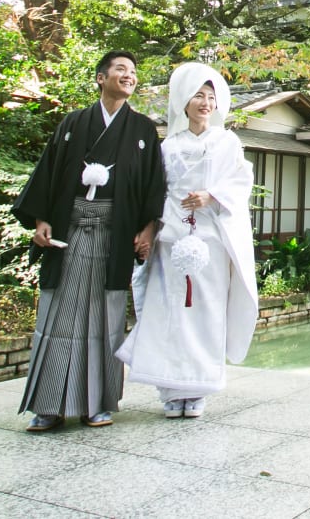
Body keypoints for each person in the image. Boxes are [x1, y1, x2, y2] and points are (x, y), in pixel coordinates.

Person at [12, 51, 165, 431]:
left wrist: (148, 230)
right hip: (69, 231)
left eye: (132, 71)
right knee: (58, 316)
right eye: (120, 70)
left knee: (106, 318)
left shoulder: (143, 130)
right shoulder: (73, 123)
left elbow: (153, 186)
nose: (128, 76)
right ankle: (48, 406)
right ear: (101, 78)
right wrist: (41, 219)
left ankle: (98, 403)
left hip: (114, 235)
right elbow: (47, 173)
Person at [117, 61, 258, 418]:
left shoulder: (227, 141)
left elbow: (241, 182)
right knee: (169, 312)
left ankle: (198, 390)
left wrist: (211, 195)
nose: (205, 102)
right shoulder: (168, 146)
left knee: (206, 312)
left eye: (211, 96)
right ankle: (170, 391)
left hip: (211, 239)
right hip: (172, 237)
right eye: (198, 95)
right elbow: (155, 190)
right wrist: (154, 226)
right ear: (184, 101)